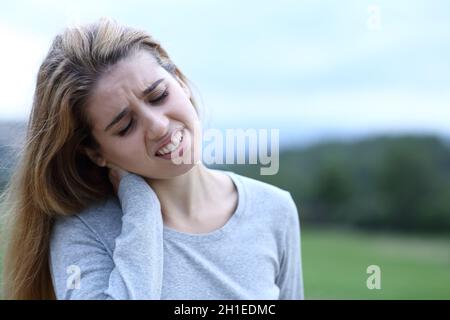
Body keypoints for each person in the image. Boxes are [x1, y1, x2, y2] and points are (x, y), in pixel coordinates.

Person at [0, 18, 303, 300]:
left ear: (180, 81)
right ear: (96, 153)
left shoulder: (274, 210)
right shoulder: (84, 231)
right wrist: (142, 210)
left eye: (158, 96)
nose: (158, 126)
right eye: (125, 126)